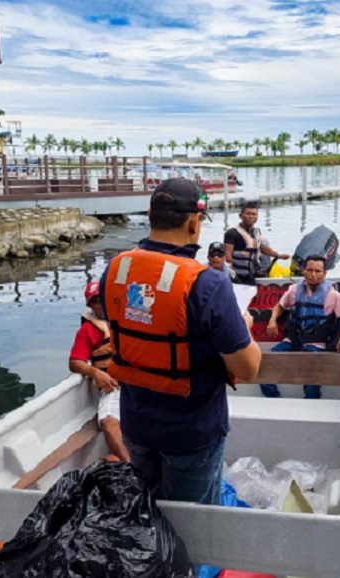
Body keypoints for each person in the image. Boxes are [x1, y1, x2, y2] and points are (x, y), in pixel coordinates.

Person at [100, 177, 261, 506]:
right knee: (192, 524)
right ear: (193, 222)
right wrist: (244, 324)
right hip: (192, 433)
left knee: (148, 509)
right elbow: (248, 369)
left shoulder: (114, 271)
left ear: (150, 215)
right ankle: (187, 558)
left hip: (136, 426)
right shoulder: (208, 284)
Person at [261, 255, 340, 399]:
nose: (313, 275)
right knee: (265, 363)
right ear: (303, 271)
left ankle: (311, 400)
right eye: (310, 270)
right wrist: (272, 320)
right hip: (292, 340)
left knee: (312, 371)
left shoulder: (333, 296)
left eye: (318, 271)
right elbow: (279, 306)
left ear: (324, 274)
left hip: (316, 343)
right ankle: (273, 397)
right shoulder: (294, 290)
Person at [69, 281, 129, 462]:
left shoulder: (130, 319)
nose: (101, 304)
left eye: (104, 298)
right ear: (90, 305)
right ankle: (131, 465)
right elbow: (75, 362)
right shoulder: (88, 330)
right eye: (95, 301)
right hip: (114, 385)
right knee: (109, 423)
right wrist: (96, 373)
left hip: (140, 383)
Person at [224, 201, 289, 284]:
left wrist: (278, 255)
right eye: (248, 213)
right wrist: (231, 275)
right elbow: (227, 257)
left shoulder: (256, 232)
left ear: (257, 216)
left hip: (252, 275)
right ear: (241, 216)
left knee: (264, 241)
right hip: (237, 276)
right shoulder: (232, 233)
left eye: (254, 214)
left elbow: (262, 248)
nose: (251, 216)